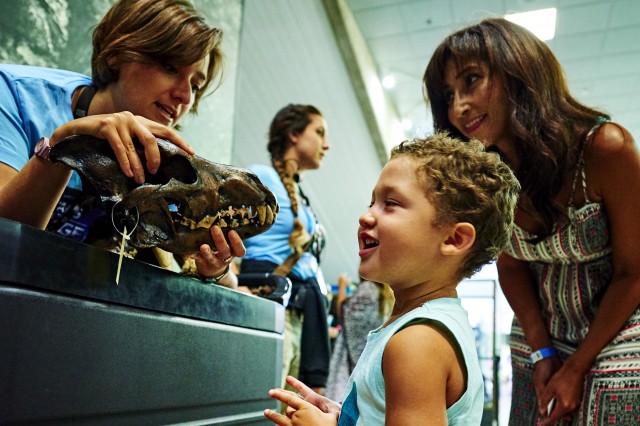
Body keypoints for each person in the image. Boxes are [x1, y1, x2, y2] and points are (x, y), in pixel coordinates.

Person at [423, 17, 640, 425]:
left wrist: (576, 367)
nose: (458, 108)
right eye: (447, 95)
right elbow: (510, 264)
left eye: (471, 80)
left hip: (619, 322)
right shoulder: (490, 174)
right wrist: (542, 352)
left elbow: (633, 273)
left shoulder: (605, 148)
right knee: (531, 404)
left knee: (615, 384)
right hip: (540, 326)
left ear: (519, 71)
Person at [263, 133, 521, 425]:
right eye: (372, 202)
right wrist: (345, 417)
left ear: (454, 238)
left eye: (391, 203)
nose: (366, 216)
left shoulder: (417, 341)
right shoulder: (416, 326)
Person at [0, 0, 244, 288]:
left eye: (195, 85)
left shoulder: (159, 157)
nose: (185, 97)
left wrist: (213, 267)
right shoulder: (13, 94)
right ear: (117, 55)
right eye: (169, 67)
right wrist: (65, 146)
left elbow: (228, 280)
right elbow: (5, 240)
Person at [240, 103, 331, 396]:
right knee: (264, 404)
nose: (325, 144)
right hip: (271, 304)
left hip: (303, 314)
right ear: (294, 134)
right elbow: (221, 234)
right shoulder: (261, 177)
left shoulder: (300, 195)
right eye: (319, 132)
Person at [324, 274, 393, 401]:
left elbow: (344, 313)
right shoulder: (387, 294)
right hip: (370, 353)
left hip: (349, 354)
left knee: (340, 394)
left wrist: (342, 287)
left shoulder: (367, 288)